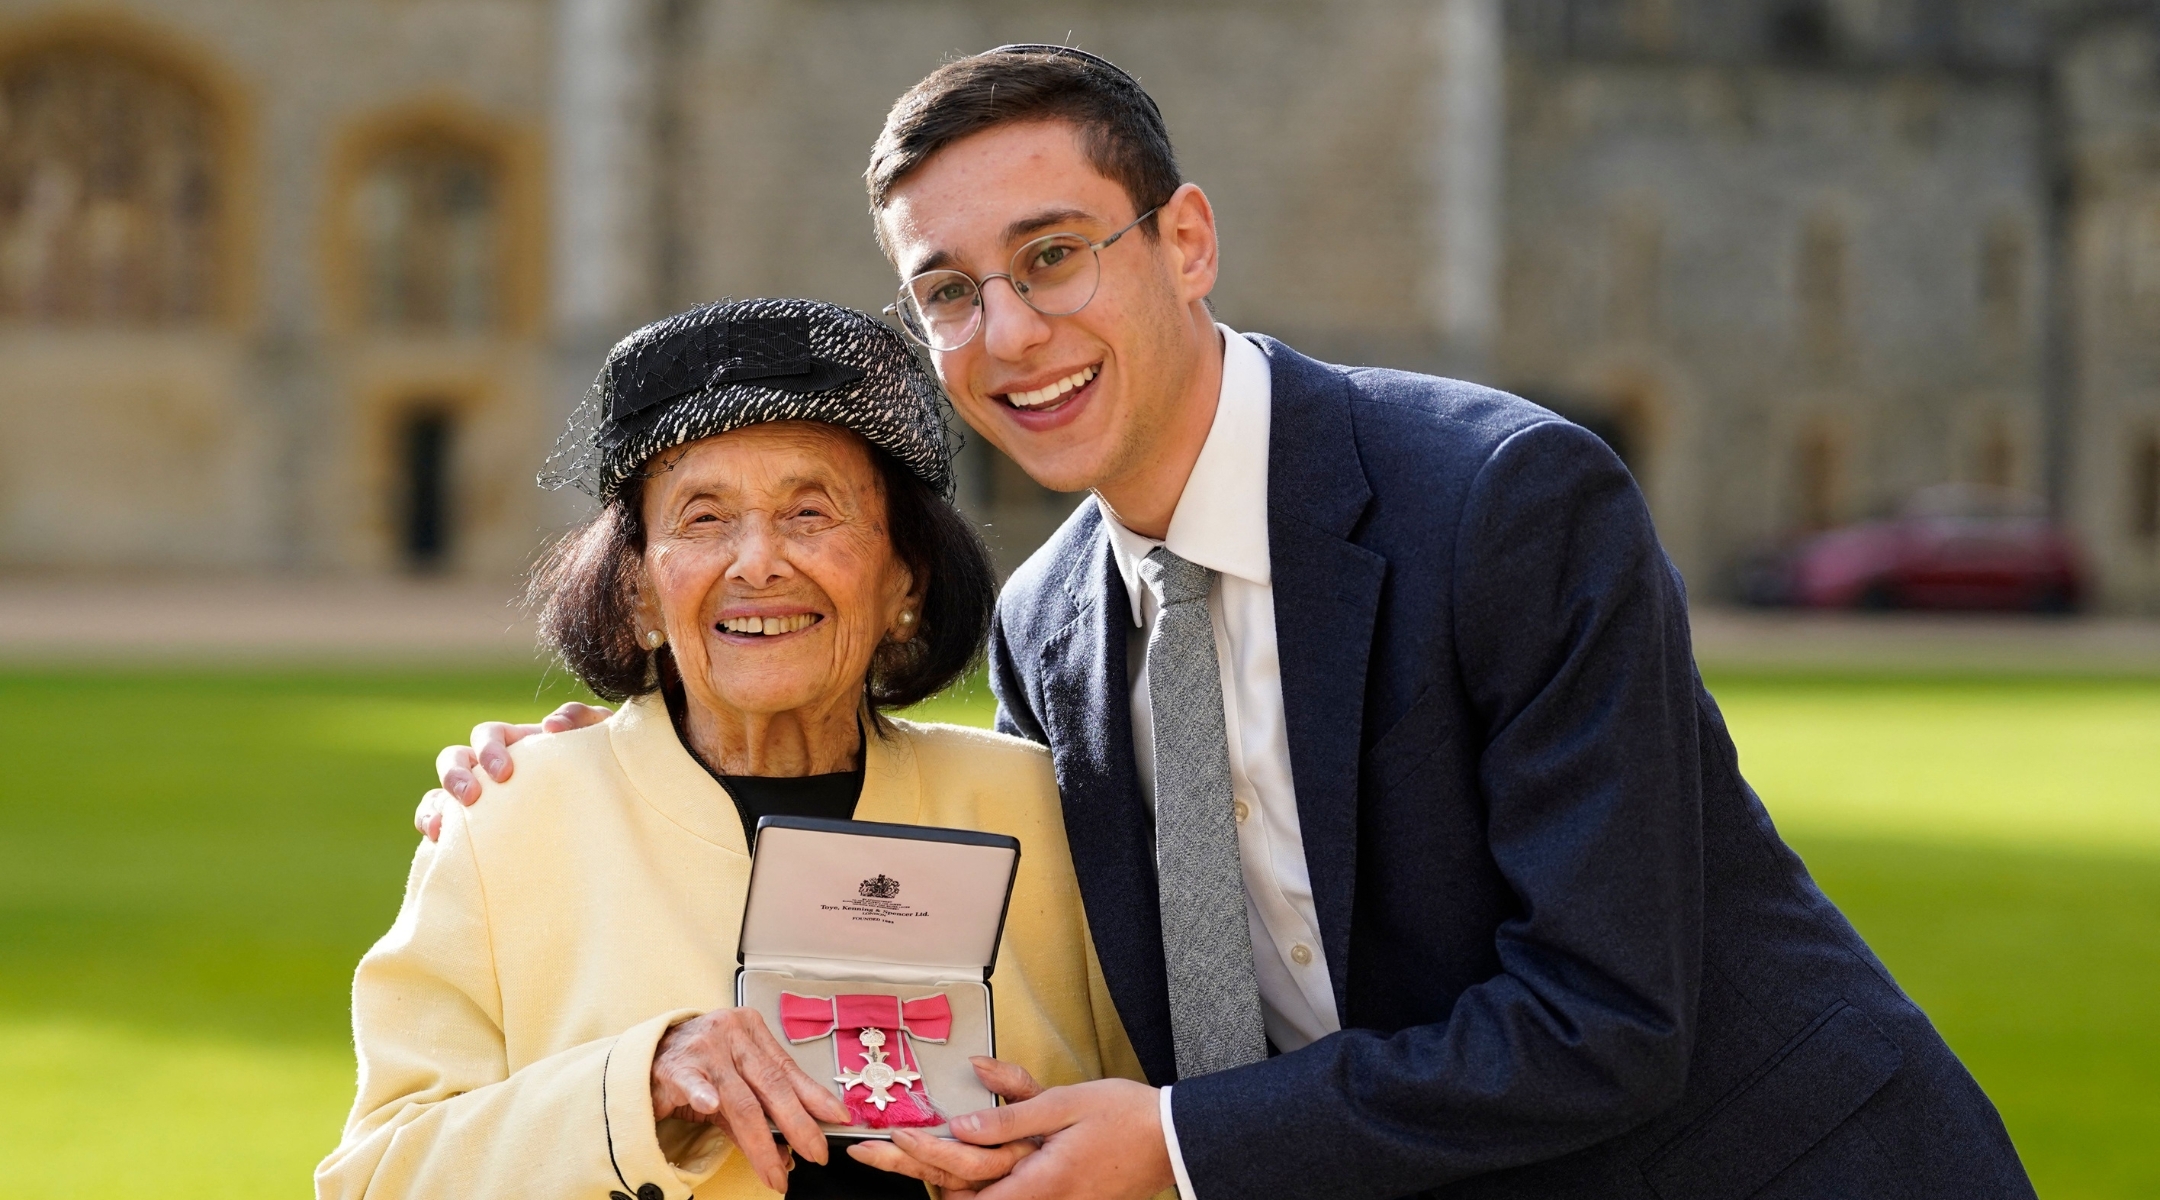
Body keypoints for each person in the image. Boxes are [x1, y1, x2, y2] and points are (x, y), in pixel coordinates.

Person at [425, 48, 2037, 1200]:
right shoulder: (1052, 627)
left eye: (1054, 256)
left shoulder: (1503, 500)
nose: (1013, 332)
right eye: (951, 293)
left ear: (1185, 241)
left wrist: (1183, 1151)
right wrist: (610, 752)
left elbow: (1608, 1018)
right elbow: (943, 890)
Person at [322, 297, 1145, 1200]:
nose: (757, 562)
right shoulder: (510, 822)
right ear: (637, 592)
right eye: (703, 518)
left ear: (906, 580)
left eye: (811, 513)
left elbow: (1181, 1137)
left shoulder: (1054, 812)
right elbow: (377, 1180)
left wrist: (1051, 1166)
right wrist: (636, 1088)